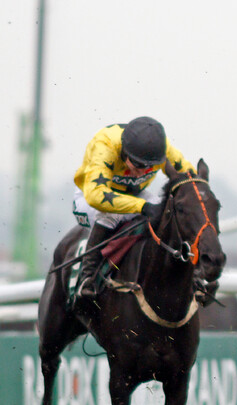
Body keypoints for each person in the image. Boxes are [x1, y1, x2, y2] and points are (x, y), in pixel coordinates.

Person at [72, 116, 195, 300]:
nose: (142, 171)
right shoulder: (105, 145)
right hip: (90, 199)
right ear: (124, 151)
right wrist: (142, 206)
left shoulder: (162, 148)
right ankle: (87, 277)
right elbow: (97, 195)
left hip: (133, 195)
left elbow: (189, 176)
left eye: (149, 166)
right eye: (137, 164)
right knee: (110, 214)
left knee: (168, 213)